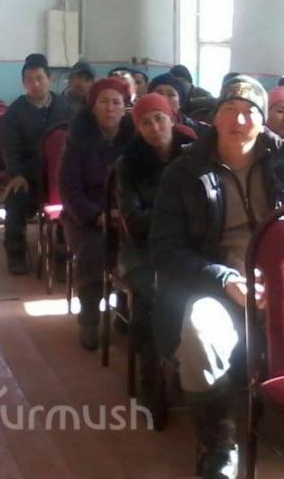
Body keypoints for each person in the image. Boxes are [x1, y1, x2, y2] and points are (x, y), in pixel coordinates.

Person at [150, 75, 284, 479]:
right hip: (212, 283)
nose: (240, 120)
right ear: (215, 117)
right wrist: (225, 279)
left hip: (281, 280)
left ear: (263, 122)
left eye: (250, 112)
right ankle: (219, 441)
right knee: (201, 330)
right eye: (230, 110)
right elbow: (166, 250)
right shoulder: (184, 173)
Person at [116, 93, 197, 397]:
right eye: (146, 123)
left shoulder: (193, 154)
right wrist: (178, 217)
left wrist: (174, 219)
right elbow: (134, 222)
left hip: (189, 245)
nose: (154, 128)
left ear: (172, 119)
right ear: (138, 128)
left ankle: (195, 365)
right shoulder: (129, 164)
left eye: (159, 119)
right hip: (142, 248)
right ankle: (150, 373)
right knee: (149, 292)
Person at [59, 77, 135, 349]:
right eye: (104, 101)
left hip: (125, 213)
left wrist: (124, 212)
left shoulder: (135, 138)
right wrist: (96, 215)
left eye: (116, 102)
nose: (110, 108)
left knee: (134, 244)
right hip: (83, 215)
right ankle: (90, 318)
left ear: (125, 107)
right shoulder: (77, 139)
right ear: (93, 106)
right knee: (94, 247)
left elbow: (139, 183)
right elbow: (69, 190)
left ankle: (126, 307)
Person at [0, 53, 74, 275]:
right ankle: (16, 253)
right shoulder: (14, 113)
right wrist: (16, 174)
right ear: (23, 83)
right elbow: (9, 148)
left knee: (74, 202)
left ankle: (64, 254)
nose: (35, 84)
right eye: (29, 80)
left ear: (50, 79)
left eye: (40, 78)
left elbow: (77, 142)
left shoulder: (66, 108)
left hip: (62, 176)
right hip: (29, 176)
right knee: (15, 200)